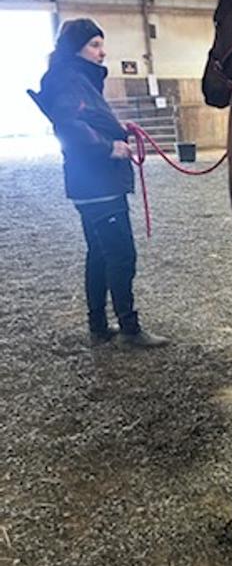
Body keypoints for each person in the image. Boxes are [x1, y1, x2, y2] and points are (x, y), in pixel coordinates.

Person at [30, 18, 168, 348]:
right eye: (94, 45)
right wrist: (110, 147)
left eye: (101, 44)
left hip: (89, 183)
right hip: (99, 183)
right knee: (121, 254)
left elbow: (83, 119)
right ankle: (129, 330)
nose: (102, 52)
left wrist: (117, 127)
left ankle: (99, 325)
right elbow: (69, 125)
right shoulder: (71, 80)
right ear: (76, 48)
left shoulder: (74, 79)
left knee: (100, 254)